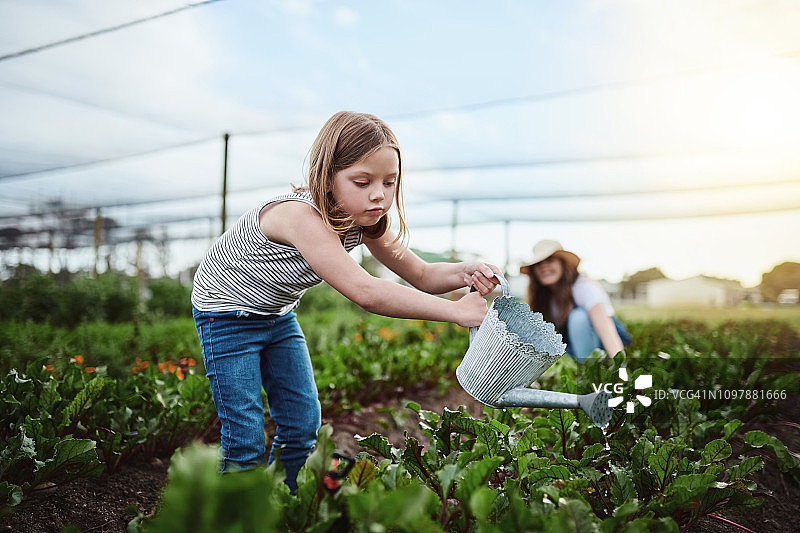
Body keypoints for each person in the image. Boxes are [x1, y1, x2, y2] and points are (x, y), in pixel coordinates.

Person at [191, 111, 501, 491]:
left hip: (276, 315)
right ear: (327, 175)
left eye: (390, 182)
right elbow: (366, 292)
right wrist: (455, 312)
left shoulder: (365, 219)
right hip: (226, 315)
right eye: (362, 181)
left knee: (303, 428)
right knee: (246, 440)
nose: (379, 194)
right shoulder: (301, 217)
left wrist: (465, 271)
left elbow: (421, 274)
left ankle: (285, 506)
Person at [519, 239, 631, 363]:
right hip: (574, 344)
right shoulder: (542, 296)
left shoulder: (582, 285)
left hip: (604, 342)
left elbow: (605, 326)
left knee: (578, 317)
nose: (544, 267)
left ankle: (588, 369)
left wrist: (620, 367)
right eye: (539, 264)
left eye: (550, 260)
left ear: (562, 263)